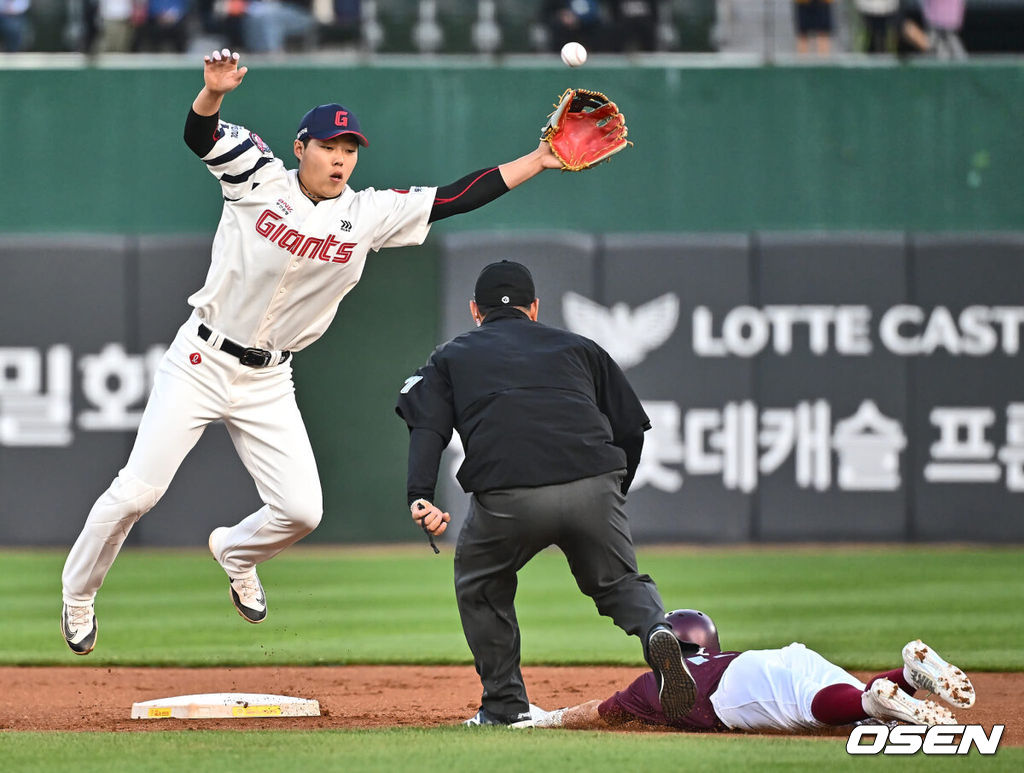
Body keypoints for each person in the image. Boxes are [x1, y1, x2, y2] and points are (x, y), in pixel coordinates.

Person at [59, 49, 566, 656]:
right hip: (201, 358)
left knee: (301, 511)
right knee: (138, 491)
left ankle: (235, 553)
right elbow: (200, 134)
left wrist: (539, 159)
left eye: (350, 150)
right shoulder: (256, 174)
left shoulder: (367, 213)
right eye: (330, 146)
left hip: (270, 378)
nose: (341, 159)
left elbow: (456, 197)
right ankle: (79, 596)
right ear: (301, 147)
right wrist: (212, 94)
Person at [394, 260, 697, 727]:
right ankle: (658, 630)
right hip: (593, 482)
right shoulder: (580, 347)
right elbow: (632, 428)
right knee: (619, 583)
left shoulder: (450, 356)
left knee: (482, 584)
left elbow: (427, 425)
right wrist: (613, 490)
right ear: (534, 308)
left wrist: (420, 493)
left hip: (509, 497)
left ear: (475, 310)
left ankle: (504, 706)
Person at [524, 608, 976, 732]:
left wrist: (552, 718)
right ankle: (905, 678)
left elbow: (601, 713)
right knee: (841, 697)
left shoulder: (652, 684)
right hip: (783, 656)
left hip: (736, 690)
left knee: (813, 710)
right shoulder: (722, 654)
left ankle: (872, 698)